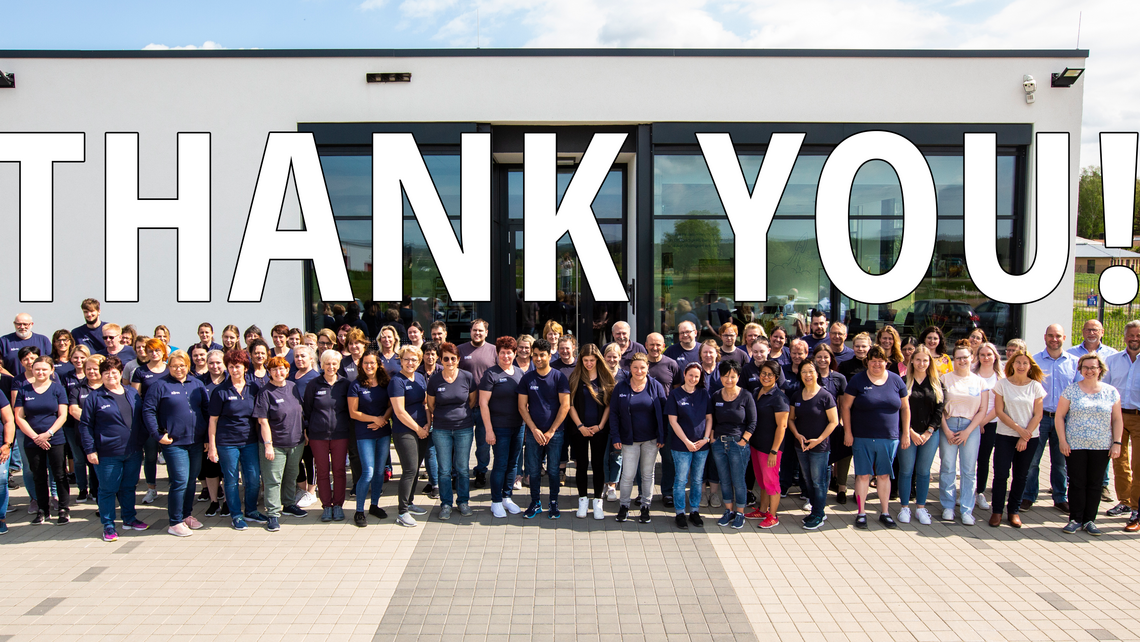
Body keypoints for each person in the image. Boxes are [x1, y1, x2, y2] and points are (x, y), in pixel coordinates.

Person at [840, 345, 910, 529]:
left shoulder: (896, 380)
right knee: (863, 475)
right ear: (867, 362)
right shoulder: (857, 380)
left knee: (884, 475)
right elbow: (845, 406)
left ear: (886, 362)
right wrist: (848, 431)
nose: (877, 364)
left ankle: (885, 512)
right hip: (862, 437)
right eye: (873, 360)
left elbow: (905, 408)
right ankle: (861, 513)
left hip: (889, 437)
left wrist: (906, 434)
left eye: (880, 361)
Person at [78, 356, 147, 541]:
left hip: (132, 451)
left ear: (119, 373)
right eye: (106, 373)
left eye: (114, 372)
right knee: (107, 489)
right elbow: (85, 425)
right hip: (107, 453)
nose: (110, 376)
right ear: (101, 375)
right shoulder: (95, 397)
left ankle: (129, 518)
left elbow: (140, 419)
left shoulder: (131, 393)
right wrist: (90, 450)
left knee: (128, 487)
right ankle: (108, 525)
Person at [144, 350, 210, 537]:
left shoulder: (196, 384)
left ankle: (186, 515)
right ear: (168, 367)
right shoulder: (160, 386)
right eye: (174, 366)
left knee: (191, 480)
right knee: (180, 480)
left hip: (196, 441)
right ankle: (174, 521)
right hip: (174, 443)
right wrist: (157, 435)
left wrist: (206, 438)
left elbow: (205, 410)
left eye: (182, 365)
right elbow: (148, 411)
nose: (178, 369)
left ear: (188, 366)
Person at [1057, 353, 1122, 535]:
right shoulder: (1071, 390)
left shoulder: (1111, 392)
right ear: (1080, 369)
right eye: (1085, 367)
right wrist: (1063, 440)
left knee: (1095, 484)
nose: (1089, 371)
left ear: (1100, 369)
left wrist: (1117, 442)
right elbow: (1060, 417)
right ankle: (1075, 519)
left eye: (1093, 367)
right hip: (1075, 444)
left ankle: (1089, 520)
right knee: (1077, 482)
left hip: (1101, 445)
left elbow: (1117, 419)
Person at [1024, 324, 1079, 513]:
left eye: (1058, 336)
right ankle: (1028, 496)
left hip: (1064, 419)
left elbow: (1078, 390)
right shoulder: (1034, 361)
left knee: (1061, 461)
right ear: (1044, 337)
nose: (1054, 339)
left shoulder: (1074, 362)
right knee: (1032, 459)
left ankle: (1060, 497)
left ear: (1064, 338)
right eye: (1050, 335)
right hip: (1039, 417)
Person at [209, 349, 267, 530]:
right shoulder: (221, 391)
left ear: (245, 368)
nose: (235, 370)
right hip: (227, 443)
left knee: (253, 478)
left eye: (238, 367)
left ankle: (250, 510)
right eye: (231, 367)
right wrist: (212, 447)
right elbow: (213, 420)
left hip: (249, 441)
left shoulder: (254, 388)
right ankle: (236, 514)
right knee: (231, 480)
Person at [990, 351, 1046, 528]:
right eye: (1018, 362)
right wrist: (1018, 430)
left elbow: (1038, 415)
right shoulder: (1002, 384)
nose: (1021, 366)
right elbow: (999, 411)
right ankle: (997, 511)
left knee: (1021, 476)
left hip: (1029, 438)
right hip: (1005, 436)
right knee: (1000, 474)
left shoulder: (1035, 386)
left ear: (1030, 366)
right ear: (1012, 364)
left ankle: (1013, 511)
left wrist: (1025, 435)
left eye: (1025, 363)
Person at [610, 353, 667, 524]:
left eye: (642, 367)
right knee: (627, 475)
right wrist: (616, 436)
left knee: (647, 475)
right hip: (629, 439)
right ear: (630, 368)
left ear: (647, 368)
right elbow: (613, 413)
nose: (639, 370)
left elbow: (663, 413)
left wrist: (661, 435)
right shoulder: (621, 387)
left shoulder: (655, 386)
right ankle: (624, 506)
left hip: (651, 440)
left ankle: (645, 507)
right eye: (635, 367)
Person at [518, 339, 571, 519]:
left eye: (542, 355)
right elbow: (521, 407)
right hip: (534, 433)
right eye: (535, 355)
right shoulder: (527, 378)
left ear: (549, 355)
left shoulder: (559, 377)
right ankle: (535, 503)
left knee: (554, 470)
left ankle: (554, 503)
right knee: (533, 470)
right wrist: (533, 429)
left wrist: (551, 431)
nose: (538, 358)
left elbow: (565, 406)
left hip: (555, 433)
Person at [255, 356, 308, 532]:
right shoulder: (265, 392)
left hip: (296, 442)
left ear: (287, 370)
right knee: (273, 480)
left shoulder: (292, 387)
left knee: (291, 476)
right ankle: (273, 513)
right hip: (275, 444)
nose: (279, 372)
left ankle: (288, 504)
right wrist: (268, 445)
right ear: (269, 372)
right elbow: (263, 421)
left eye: (282, 368)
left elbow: (299, 412)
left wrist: (304, 433)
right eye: (275, 369)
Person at [14, 357, 70, 524]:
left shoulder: (58, 389)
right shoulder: (24, 390)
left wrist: (48, 433)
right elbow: (19, 417)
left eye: (44, 369)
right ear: (32, 369)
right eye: (37, 369)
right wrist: (35, 437)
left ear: (51, 370)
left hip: (55, 438)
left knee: (59, 474)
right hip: (33, 440)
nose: (40, 372)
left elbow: (63, 415)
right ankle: (43, 509)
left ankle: (63, 508)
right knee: (38, 476)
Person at [939, 342, 989, 525]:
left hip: (971, 426)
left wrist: (968, 431)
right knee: (948, 467)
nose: (961, 360)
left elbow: (983, 410)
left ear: (972, 358)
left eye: (965, 357)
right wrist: (946, 430)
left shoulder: (979, 382)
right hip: (949, 425)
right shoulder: (944, 379)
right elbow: (940, 408)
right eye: (958, 357)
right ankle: (948, 506)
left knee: (968, 470)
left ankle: (967, 509)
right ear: (953, 360)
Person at [426, 342, 478, 520]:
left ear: (458, 360)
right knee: (444, 469)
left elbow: (471, 401)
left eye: (453, 358)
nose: (449, 361)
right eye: (446, 358)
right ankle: (446, 504)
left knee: (463, 468)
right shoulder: (434, 379)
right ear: (441, 360)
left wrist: (460, 416)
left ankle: (463, 501)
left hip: (464, 428)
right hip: (441, 430)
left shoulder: (467, 377)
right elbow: (431, 405)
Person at [302, 349, 353, 523]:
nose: (331, 367)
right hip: (318, 435)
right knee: (322, 471)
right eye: (327, 363)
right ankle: (326, 506)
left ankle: (338, 504)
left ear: (338, 365)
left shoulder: (345, 384)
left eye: (334, 363)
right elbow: (307, 410)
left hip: (341, 434)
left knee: (339, 470)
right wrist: (308, 429)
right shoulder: (313, 384)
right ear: (321, 365)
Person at [787, 361, 839, 529]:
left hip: (819, 447)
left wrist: (819, 439)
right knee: (808, 480)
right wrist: (797, 435)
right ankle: (814, 511)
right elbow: (791, 419)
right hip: (801, 445)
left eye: (811, 371)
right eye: (804, 372)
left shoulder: (825, 396)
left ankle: (819, 513)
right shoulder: (797, 395)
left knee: (819, 481)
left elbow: (833, 422)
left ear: (817, 373)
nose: (807, 375)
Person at [568, 344, 615, 520]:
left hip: (599, 429)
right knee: (581, 465)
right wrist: (580, 426)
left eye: (592, 360)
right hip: (579, 429)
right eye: (585, 360)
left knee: (597, 465)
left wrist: (601, 426)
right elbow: (570, 404)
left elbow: (609, 405)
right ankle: (582, 500)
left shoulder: (605, 377)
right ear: (581, 360)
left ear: (597, 360)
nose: (588, 363)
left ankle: (597, 502)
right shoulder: (575, 377)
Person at [480, 337, 526, 518]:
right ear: (497, 354)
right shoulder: (491, 374)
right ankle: (496, 501)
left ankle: (507, 496)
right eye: (502, 352)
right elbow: (483, 404)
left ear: (515, 354)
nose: (506, 356)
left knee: (513, 463)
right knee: (500, 464)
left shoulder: (519, 373)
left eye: (509, 352)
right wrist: (489, 430)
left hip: (518, 426)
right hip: (499, 427)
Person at [347, 349, 392, 526]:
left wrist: (383, 420)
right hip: (364, 432)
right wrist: (375, 419)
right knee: (368, 472)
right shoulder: (356, 385)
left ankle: (374, 505)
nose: (369, 366)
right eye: (365, 363)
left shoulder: (385, 383)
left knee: (380, 472)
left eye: (372, 362)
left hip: (382, 431)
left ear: (378, 364)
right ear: (361, 365)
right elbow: (353, 412)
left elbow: (391, 406)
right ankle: (359, 511)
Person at [709, 360, 755, 529]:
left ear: (738, 377)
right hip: (719, 444)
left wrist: (744, 441)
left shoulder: (746, 396)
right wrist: (713, 439)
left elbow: (752, 421)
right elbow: (711, 420)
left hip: (738, 445)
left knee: (738, 480)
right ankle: (728, 511)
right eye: (726, 376)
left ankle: (740, 512)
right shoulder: (715, 396)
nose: (729, 380)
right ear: (720, 377)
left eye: (733, 376)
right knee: (724, 480)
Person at [666, 362, 712, 529]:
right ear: (684, 374)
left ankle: (694, 511)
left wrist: (706, 438)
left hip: (702, 446)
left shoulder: (704, 394)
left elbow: (709, 418)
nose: (693, 378)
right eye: (690, 375)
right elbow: (673, 421)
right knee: (680, 480)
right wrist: (687, 442)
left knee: (697, 479)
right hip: (681, 446)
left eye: (697, 376)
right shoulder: (675, 395)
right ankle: (679, 512)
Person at [389, 345, 430, 527]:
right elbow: (399, 411)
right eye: (406, 359)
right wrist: (418, 429)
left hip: (422, 427)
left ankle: (410, 502)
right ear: (401, 360)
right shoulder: (396, 381)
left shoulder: (420, 377)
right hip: (404, 430)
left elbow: (425, 403)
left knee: (415, 469)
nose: (410, 363)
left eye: (414, 359)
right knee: (409, 470)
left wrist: (428, 424)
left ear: (419, 361)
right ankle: (402, 511)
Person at [1105, 321, 1140, 529]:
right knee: (1119, 461)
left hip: (1138, 416)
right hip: (1117, 416)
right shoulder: (1113, 360)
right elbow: (1107, 390)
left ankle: (1136, 508)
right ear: (1124, 337)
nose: (1134, 339)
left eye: (1138, 335)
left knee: (1138, 464)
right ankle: (1125, 501)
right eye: (1131, 335)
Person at [457, 319, 496, 490]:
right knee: (462, 443)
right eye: (474, 330)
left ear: (486, 332)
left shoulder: (494, 351)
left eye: (481, 330)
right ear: (470, 331)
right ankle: (459, 473)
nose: (477, 333)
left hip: (485, 407)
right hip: (463, 406)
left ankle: (481, 471)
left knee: (483, 443)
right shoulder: (460, 350)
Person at [752, 359, 789, 529]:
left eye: (769, 374)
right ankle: (762, 509)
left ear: (776, 377)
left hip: (770, 448)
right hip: (756, 445)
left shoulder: (779, 398)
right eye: (763, 373)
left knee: (771, 482)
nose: (765, 377)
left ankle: (773, 516)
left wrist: (774, 451)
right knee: (762, 481)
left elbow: (782, 426)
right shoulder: (756, 391)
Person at [131, 337, 168, 505]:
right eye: (151, 350)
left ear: (163, 352)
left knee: (171, 455)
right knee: (151, 456)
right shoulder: (140, 372)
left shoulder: (170, 370)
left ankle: (174, 487)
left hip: (168, 418)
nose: (154, 353)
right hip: (149, 420)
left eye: (157, 350)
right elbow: (134, 397)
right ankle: (152, 488)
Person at [199, 349, 229, 515]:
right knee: (210, 469)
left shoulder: (230, 381)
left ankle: (226, 501)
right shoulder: (199, 383)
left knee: (225, 469)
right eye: (211, 363)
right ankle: (213, 501)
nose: (215, 366)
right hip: (207, 433)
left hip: (227, 433)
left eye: (218, 362)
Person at [0, 313, 52, 379]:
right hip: (10, 384)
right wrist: (15, 379)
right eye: (19, 324)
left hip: (38, 384)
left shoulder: (43, 340)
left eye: (25, 324)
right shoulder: (4, 341)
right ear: (14, 324)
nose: (22, 327)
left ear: (32, 324)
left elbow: (50, 363)